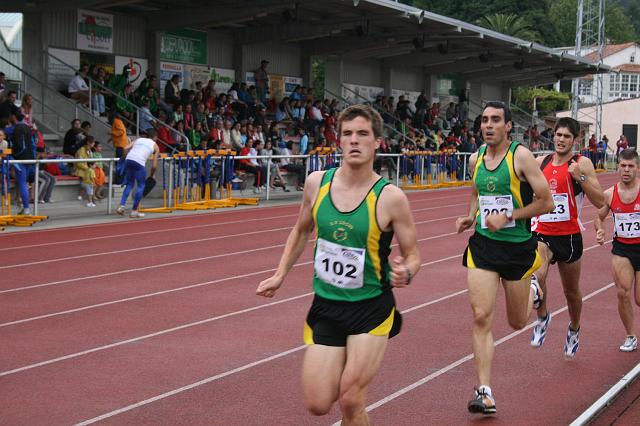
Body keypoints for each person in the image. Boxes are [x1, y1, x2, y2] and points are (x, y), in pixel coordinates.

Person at [256, 104, 420, 425]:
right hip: (327, 306)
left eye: (363, 134)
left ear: (377, 143)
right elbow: (302, 229)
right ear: (339, 140)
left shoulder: (390, 198)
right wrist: (279, 274)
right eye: (347, 134)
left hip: (371, 308)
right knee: (318, 403)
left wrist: (408, 270)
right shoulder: (318, 183)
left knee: (350, 398)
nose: (354, 140)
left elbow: (413, 253)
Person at [456, 101, 554, 415]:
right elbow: (476, 192)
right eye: (484, 120)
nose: (488, 125)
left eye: (496, 120)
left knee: (516, 322)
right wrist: (470, 217)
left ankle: (534, 292)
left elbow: (547, 202)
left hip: (517, 248)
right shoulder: (476, 159)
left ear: (508, 125)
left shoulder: (520, 156)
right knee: (481, 316)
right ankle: (484, 392)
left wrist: (509, 215)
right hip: (484, 246)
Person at [529, 117, 605, 356]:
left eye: (566, 136)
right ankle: (543, 317)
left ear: (576, 140)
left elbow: (600, 200)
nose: (561, 140)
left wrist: (578, 177)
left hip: (570, 236)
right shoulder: (540, 162)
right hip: (542, 231)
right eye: (558, 135)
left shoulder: (581, 164)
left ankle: (574, 328)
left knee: (571, 292)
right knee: (537, 276)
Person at [595, 149, 640, 352]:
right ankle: (631, 335)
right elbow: (598, 217)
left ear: (637, 168)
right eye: (623, 165)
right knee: (622, 293)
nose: (626, 170)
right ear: (618, 166)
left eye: (631, 166)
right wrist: (600, 230)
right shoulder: (610, 194)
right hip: (622, 248)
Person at [115, 129, 160, 218]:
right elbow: (154, 166)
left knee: (129, 184)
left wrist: (123, 160)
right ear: (155, 137)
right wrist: (152, 175)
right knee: (141, 185)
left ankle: (121, 206)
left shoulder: (139, 139)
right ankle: (134, 211)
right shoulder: (155, 146)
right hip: (139, 163)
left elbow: (125, 148)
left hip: (129, 160)